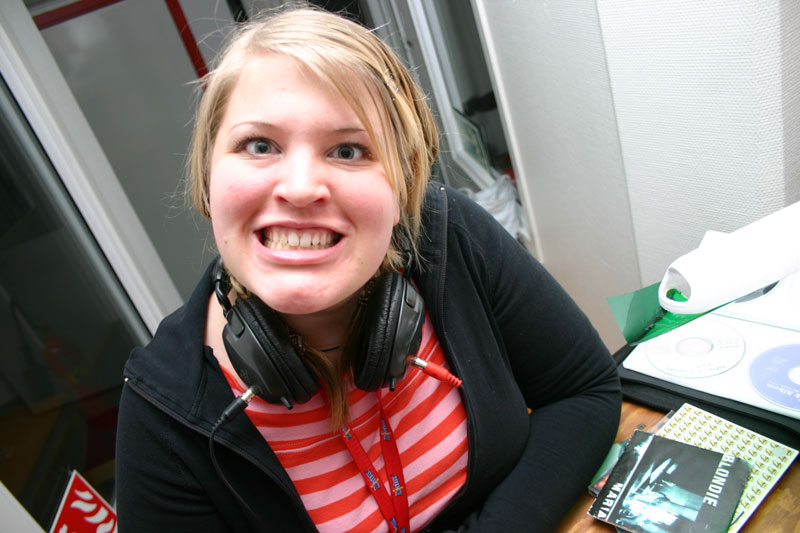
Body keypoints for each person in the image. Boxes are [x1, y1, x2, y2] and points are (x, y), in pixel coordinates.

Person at [114, 6, 621, 532]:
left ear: (405, 185)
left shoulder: (450, 236)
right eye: (259, 145)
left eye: (348, 150)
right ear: (208, 175)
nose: (301, 188)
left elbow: (583, 391)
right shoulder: (162, 412)